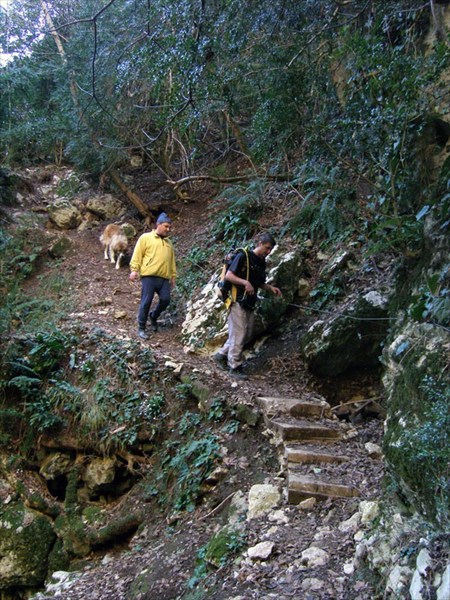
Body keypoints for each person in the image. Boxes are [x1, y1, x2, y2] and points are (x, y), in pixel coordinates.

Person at [213, 232, 282, 379]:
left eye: (270, 250)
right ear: (259, 244)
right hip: (236, 299)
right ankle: (234, 367)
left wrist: (270, 288)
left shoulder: (261, 262)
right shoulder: (243, 256)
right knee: (240, 333)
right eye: (267, 248)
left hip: (249, 301)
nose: (268, 252)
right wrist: (245, 283)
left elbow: (257, 282)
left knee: (247, 333)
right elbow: (229, 276)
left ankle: (221, 355)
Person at [129, 212, 177, 339]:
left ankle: (154, 316)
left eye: (169, 227)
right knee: (146, 302)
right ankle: (141, 327)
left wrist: (173, 276)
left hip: (164, 278)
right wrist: (134, 269)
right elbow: (137, 254)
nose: (168, 229)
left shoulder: (169, 243)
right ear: (158, 224)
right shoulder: (145, 238)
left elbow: (171, 260)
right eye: (166, 226)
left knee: (166, 300)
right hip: (149, 277)